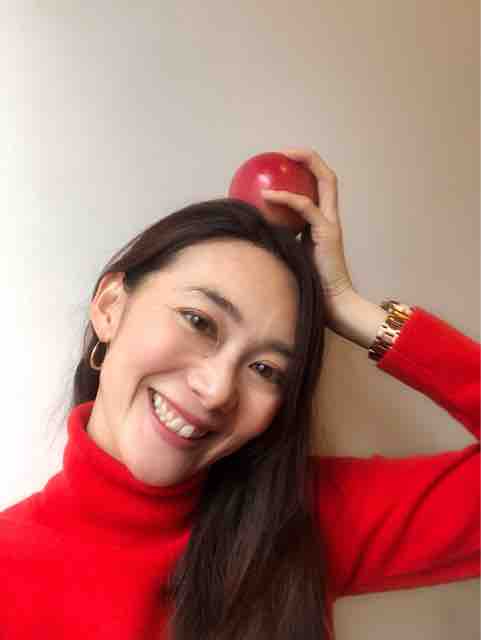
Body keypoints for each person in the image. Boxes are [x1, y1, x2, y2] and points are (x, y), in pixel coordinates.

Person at [0, 149, 478, 640]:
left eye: (265, 369)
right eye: (199, 321)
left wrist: (350, 308)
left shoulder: (298, 519)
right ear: (110, 307)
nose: (216, 390)